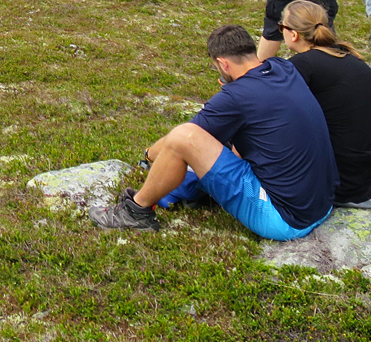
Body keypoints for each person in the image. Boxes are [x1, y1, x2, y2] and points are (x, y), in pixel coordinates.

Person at [88, 24, 337, 240]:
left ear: (223, 63)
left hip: (285, 220)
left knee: (183, 137)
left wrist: (148, 155)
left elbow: (185, 137)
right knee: (219, 140)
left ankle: (135, 211)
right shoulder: (282, 67)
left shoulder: (236, 97)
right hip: (321, 203)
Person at [280, 1, 371, 211]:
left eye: (281, 27)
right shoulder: (348, 56)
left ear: (293, 34)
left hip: (343, 178)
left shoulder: (303, 65)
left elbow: (275, 117)